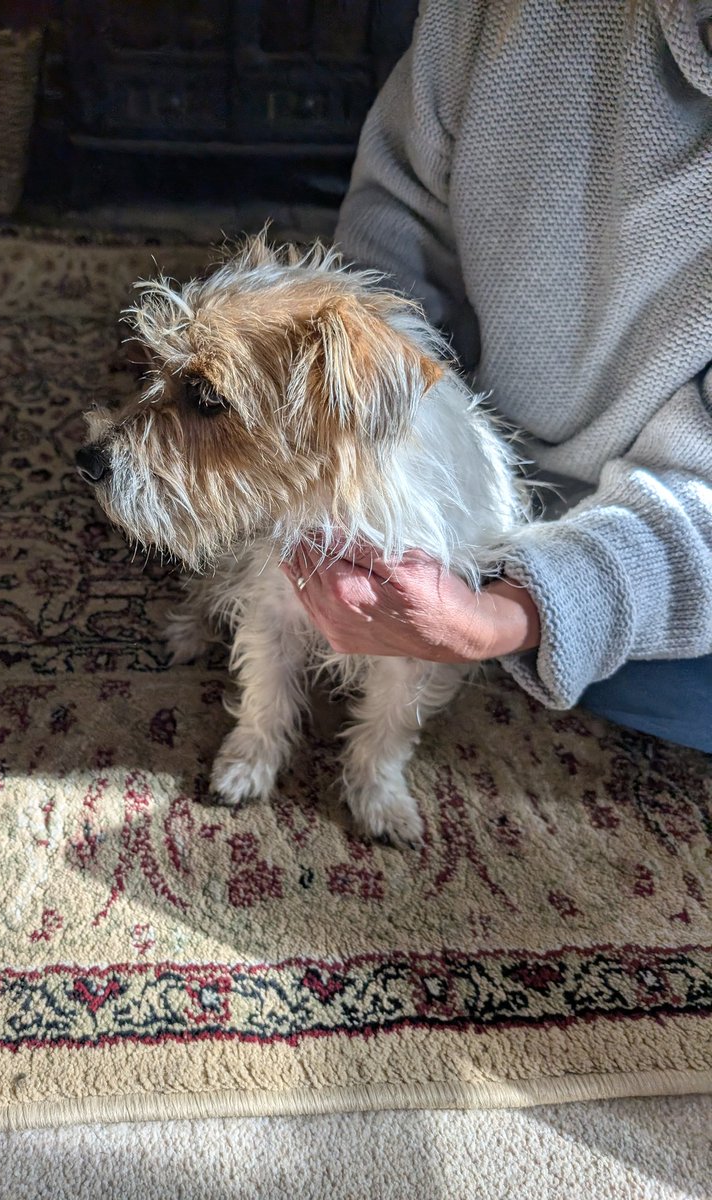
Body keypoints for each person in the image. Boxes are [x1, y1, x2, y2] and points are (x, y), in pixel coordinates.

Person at [281, 0, 712, 753]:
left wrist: (517, 612)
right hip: (476, 465)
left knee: (654, 687)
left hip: (668, 544)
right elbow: (396, 226)